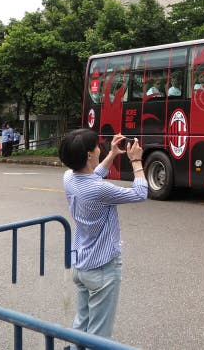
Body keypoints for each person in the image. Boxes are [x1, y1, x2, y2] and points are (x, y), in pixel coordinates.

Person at [61, 130, 147, 341]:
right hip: (101, 269)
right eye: (97, 147)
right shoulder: (98, 190)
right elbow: (140, 193)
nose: (100, 149)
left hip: (81, 264)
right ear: (89, 155)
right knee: (98, 336)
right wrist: (136, 161)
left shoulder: (69, 177)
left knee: (81, 325)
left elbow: (93, 174)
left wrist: (112, 154)